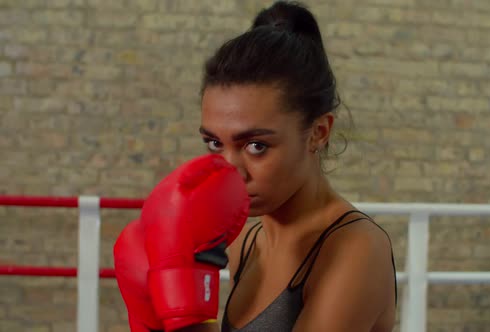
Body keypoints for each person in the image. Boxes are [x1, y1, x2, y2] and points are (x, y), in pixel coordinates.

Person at [114, 1, 397, 331]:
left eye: (256, 146)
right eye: (215, 143)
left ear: (318, 133)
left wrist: (183, 320)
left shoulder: (356, 249)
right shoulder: (245, 242)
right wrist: (154, 309)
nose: (232, 171)